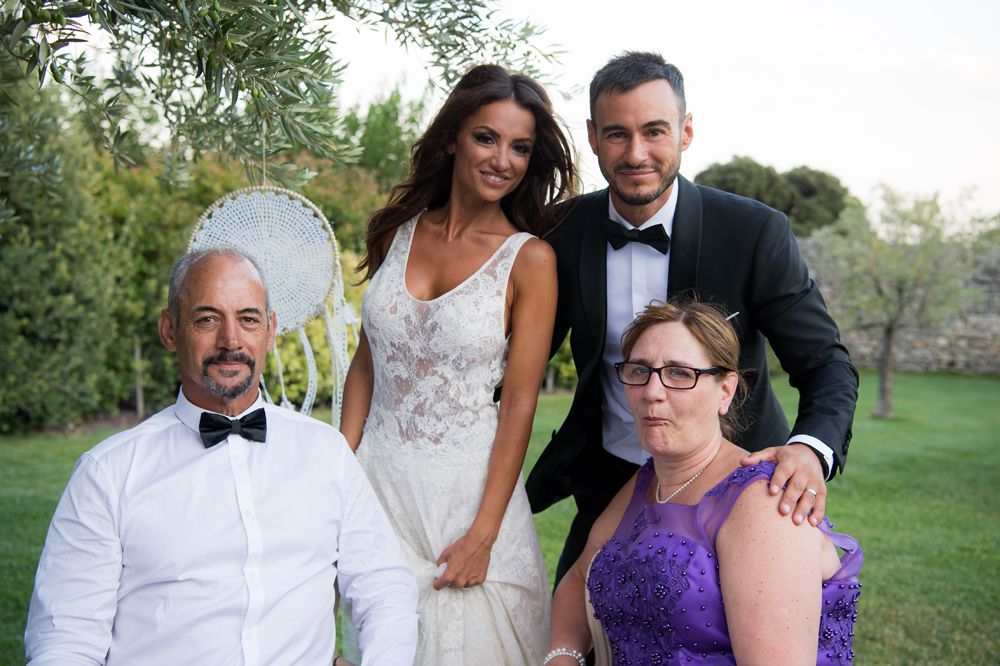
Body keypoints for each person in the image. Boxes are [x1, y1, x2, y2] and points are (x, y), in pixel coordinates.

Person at [526, 51, 859, 583]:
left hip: (733, 485)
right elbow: (515, 357)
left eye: (655, 131)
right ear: (592, 137)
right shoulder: (559, 231)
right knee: (573, 623)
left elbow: (825, 364)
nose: (636, 153)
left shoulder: (753, 233)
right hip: (606, 484)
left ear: (685, 132)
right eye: (617, 134)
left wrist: (810, 450)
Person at [25, 248, 418, 665]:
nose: (231, 341)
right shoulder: (108, 473)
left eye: (248, 319)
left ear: (270, 330)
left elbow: (384, 589)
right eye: (207, 319)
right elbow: (65, 640)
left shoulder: (326, 454)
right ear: (170, 330)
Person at [339, 63, 575, 664]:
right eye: (486, 138)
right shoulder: (395, 233)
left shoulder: (531, 261)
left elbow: (519, 403)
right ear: (452, 139)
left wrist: (484, 535)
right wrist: (337, 469)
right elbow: (368, 361)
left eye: (520, 147)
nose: (503, 160)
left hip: (467, 499)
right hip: (378, 486)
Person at [545, 301, 862, 666]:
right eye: (639, 370)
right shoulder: (647, 482)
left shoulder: (765, 501)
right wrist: (563, 656)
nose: (652, 391)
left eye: (680, 373)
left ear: (725, 391)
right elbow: (579, 578)